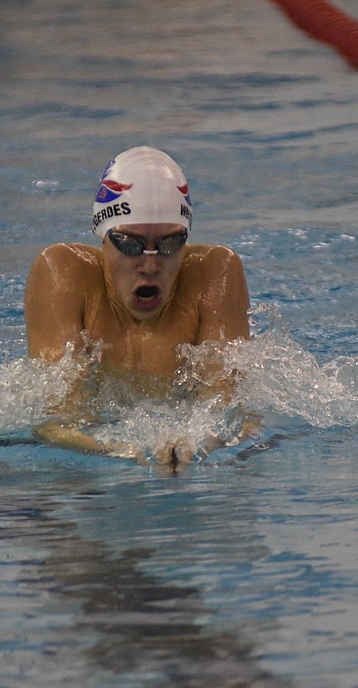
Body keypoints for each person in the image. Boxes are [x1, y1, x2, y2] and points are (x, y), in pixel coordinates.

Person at [24, 146, 253, 468]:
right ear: (103, 237)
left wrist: (202, 442)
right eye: (129, 244)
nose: (149, 264)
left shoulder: (215, 273)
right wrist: (126, 451)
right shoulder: (64, 274)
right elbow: (56, 419)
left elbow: (229, 405)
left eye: (169, 244)